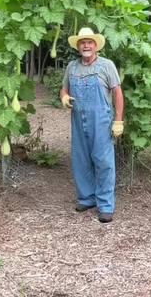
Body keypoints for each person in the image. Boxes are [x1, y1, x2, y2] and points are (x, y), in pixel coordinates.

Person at [60, 27, 124, 223]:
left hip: (101, 121)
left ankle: (105, 205)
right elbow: (64, 88)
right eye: (82, 42)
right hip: (78, 120)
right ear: (78, 46)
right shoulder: (72, 67)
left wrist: (119, 120)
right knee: (81, 160)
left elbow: (118, 93)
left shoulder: (107, 66)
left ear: (96, 45)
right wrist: (63, 97)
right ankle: (87, 198)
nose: (86, 45)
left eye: (89, 42)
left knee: (103, 162)